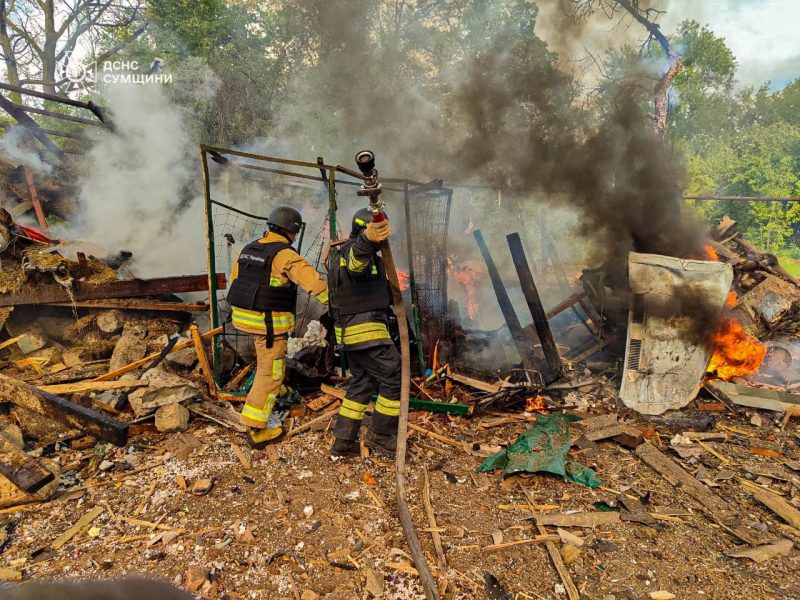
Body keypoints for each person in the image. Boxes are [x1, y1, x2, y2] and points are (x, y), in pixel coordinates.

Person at [228, 205, 328, 448]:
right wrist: (337, 303)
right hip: (268, 326)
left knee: (269, 364)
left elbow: (235, 282)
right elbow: (313, 283)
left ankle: (276, 391)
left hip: (244, 319)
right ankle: (256, 428)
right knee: (270, 372)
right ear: (292, 232)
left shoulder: (249, 249)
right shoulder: (285, 255)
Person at [328, 208, 400, 457]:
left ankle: (343, 441)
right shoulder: (353, 250)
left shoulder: (343, 255)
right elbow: (357, 263)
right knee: (395, 375)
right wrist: (368, 238)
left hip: (352, 334)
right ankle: (380, 436)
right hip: (365, 330)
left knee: (362, 382)